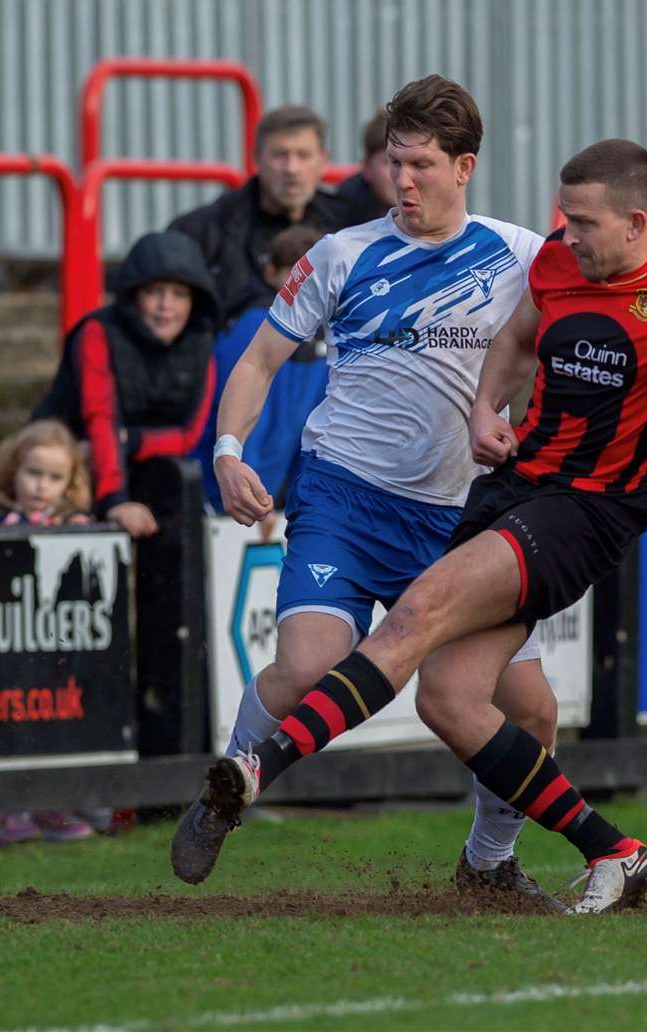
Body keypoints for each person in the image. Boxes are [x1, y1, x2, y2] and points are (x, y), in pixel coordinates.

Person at [177, 137, 647, 915]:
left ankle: (254, 769)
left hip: (589, 511)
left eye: (582, 222)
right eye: (563, 219)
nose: (566, 235)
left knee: (412, 620)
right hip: (512, 489)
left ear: (638, 222)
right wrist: (481, 408)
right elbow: (515, 338)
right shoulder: (558, 267)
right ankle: (609, 851)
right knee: (454, 699)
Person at [170, 76, 561, 912]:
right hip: (345, 500)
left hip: (462, 518)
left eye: (421, 165)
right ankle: (225, 789)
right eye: (394, 163)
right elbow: (258, 363)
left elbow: (584, 335)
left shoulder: (522, 256)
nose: (403, 181)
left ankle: (487, 861)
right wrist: (230, 450)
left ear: (466, 166)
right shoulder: (340, 255)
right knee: (310, 668)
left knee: (529, 711)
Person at [32, 231, 219, 540]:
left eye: (179, 294)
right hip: (68, 466)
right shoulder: (97, 332)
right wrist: (114, 501)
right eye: (154, 292)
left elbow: (190, 435)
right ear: (134, 295)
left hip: (141, 467)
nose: (165, 306)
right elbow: (100, 418)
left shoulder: (203, 345)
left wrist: (131, 440)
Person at [0, 419, 98, 843]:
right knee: (7, 726)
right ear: (14, 471)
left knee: (53, 724)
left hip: (52, 647)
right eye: (34, 473)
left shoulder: (73, 524)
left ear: (69, 483)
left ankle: (50, 805)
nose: (42, 485)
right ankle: (5, 811)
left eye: (55, 477)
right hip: (2, 645)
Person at [168, 106, 377, 327]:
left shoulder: (353, 225)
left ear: (323, 160)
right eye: (280, 155)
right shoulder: (204, 230)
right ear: (257, 158)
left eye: (303, 155)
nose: (292, 168)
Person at [192, 225, 328, 515]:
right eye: (296, 277)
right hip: (226, 492)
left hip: (267, 497)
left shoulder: (321, 334)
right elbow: (239, 414)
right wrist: (254, 490)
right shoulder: (255, 323)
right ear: (270, 273)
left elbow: (312, 428)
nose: (307, 290)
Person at [336, 108, 397, 221]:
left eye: (417, 163)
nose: (402, 176)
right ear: (367, 168)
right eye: (391, 162)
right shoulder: (340, 212)